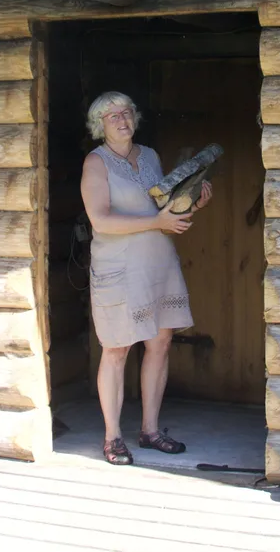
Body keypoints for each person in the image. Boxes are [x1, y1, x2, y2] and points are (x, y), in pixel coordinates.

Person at [80, 91, 211, 466]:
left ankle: (150, 430)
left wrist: (192, 203)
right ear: (99, 126)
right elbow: (100, 220)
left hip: (157, 263)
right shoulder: (96, 163)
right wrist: (157, 221)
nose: (121, 120)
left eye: (126, 112)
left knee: (161, 342)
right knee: (117, 348)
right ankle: (112, 437)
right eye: (111, 116)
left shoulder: (150, 156)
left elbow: (164, 211)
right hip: (119, 268)